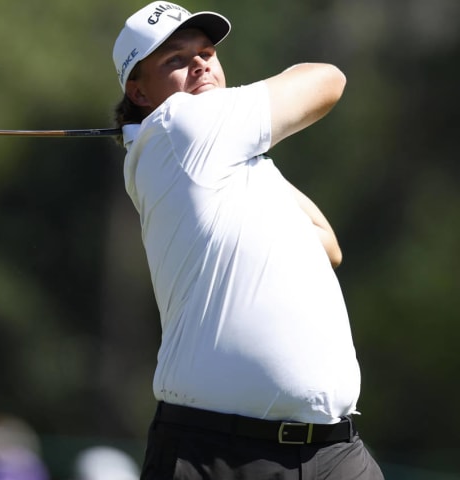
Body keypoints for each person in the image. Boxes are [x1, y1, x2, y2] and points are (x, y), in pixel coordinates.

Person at [111, 2, 384, 479]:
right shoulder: (184, 124)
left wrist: (250, 156)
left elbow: (327, 244)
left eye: (207, 52)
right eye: (175, 59)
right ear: (138, 90)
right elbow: (327, 78)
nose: (200, 63)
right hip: (220, 454)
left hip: (335, 452)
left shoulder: (220, 155)